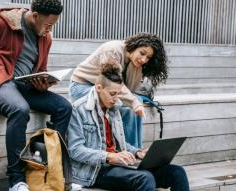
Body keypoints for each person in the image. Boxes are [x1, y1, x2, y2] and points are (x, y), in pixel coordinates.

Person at [0, 0, 72, 191]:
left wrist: (42, 83)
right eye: (48, 24)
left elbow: (40, 68)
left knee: (63, 107)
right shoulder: (2, 22)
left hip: (22, 87)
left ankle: (51, 168)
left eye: (53, 25)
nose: (50, 30)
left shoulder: (45, 37)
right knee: (20, 109)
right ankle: (16, 180)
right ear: (35, 15)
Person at [67, 61, 189, 190]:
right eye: (112, 94)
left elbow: (120, 143)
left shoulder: (113, 109)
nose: (116, 98)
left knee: (176, 172)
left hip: (118, 166)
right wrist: (109, 156)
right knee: (145, 178)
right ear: (98, 88)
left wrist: (137, 153)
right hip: (94, 171)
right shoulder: (78, 109)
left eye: (118, 93)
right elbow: (75, 150)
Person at [69, 33, 168, 148]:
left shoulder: (134, 61)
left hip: (106, 89)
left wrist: (135, 68)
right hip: (82, 86)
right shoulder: (113, 50)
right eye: (142, 53)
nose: (143, 59)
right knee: (127, 108)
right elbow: (113, 84)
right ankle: (128, 150)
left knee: (137, 101)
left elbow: (130, 88)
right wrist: (133, 102)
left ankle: (136, 150)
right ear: (135, 46)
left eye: (148, 58)